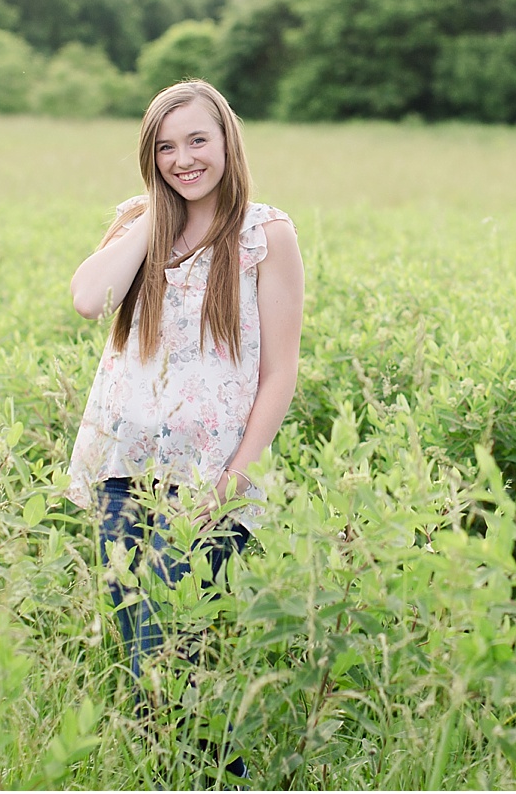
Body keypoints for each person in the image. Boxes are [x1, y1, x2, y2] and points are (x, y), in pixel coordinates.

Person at [65, 79, 305, 779]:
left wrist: (235, 477)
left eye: (198, 140)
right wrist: (156, 213)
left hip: (208, 478)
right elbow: (86, 299)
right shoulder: (137, 222)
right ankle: (169, 775)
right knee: (141, 647)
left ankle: (213, 777)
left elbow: (279, 372)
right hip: (123, 467)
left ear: (228, 140)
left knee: (179, 649)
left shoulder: (266, 233)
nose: (184, 159)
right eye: (165, 148)